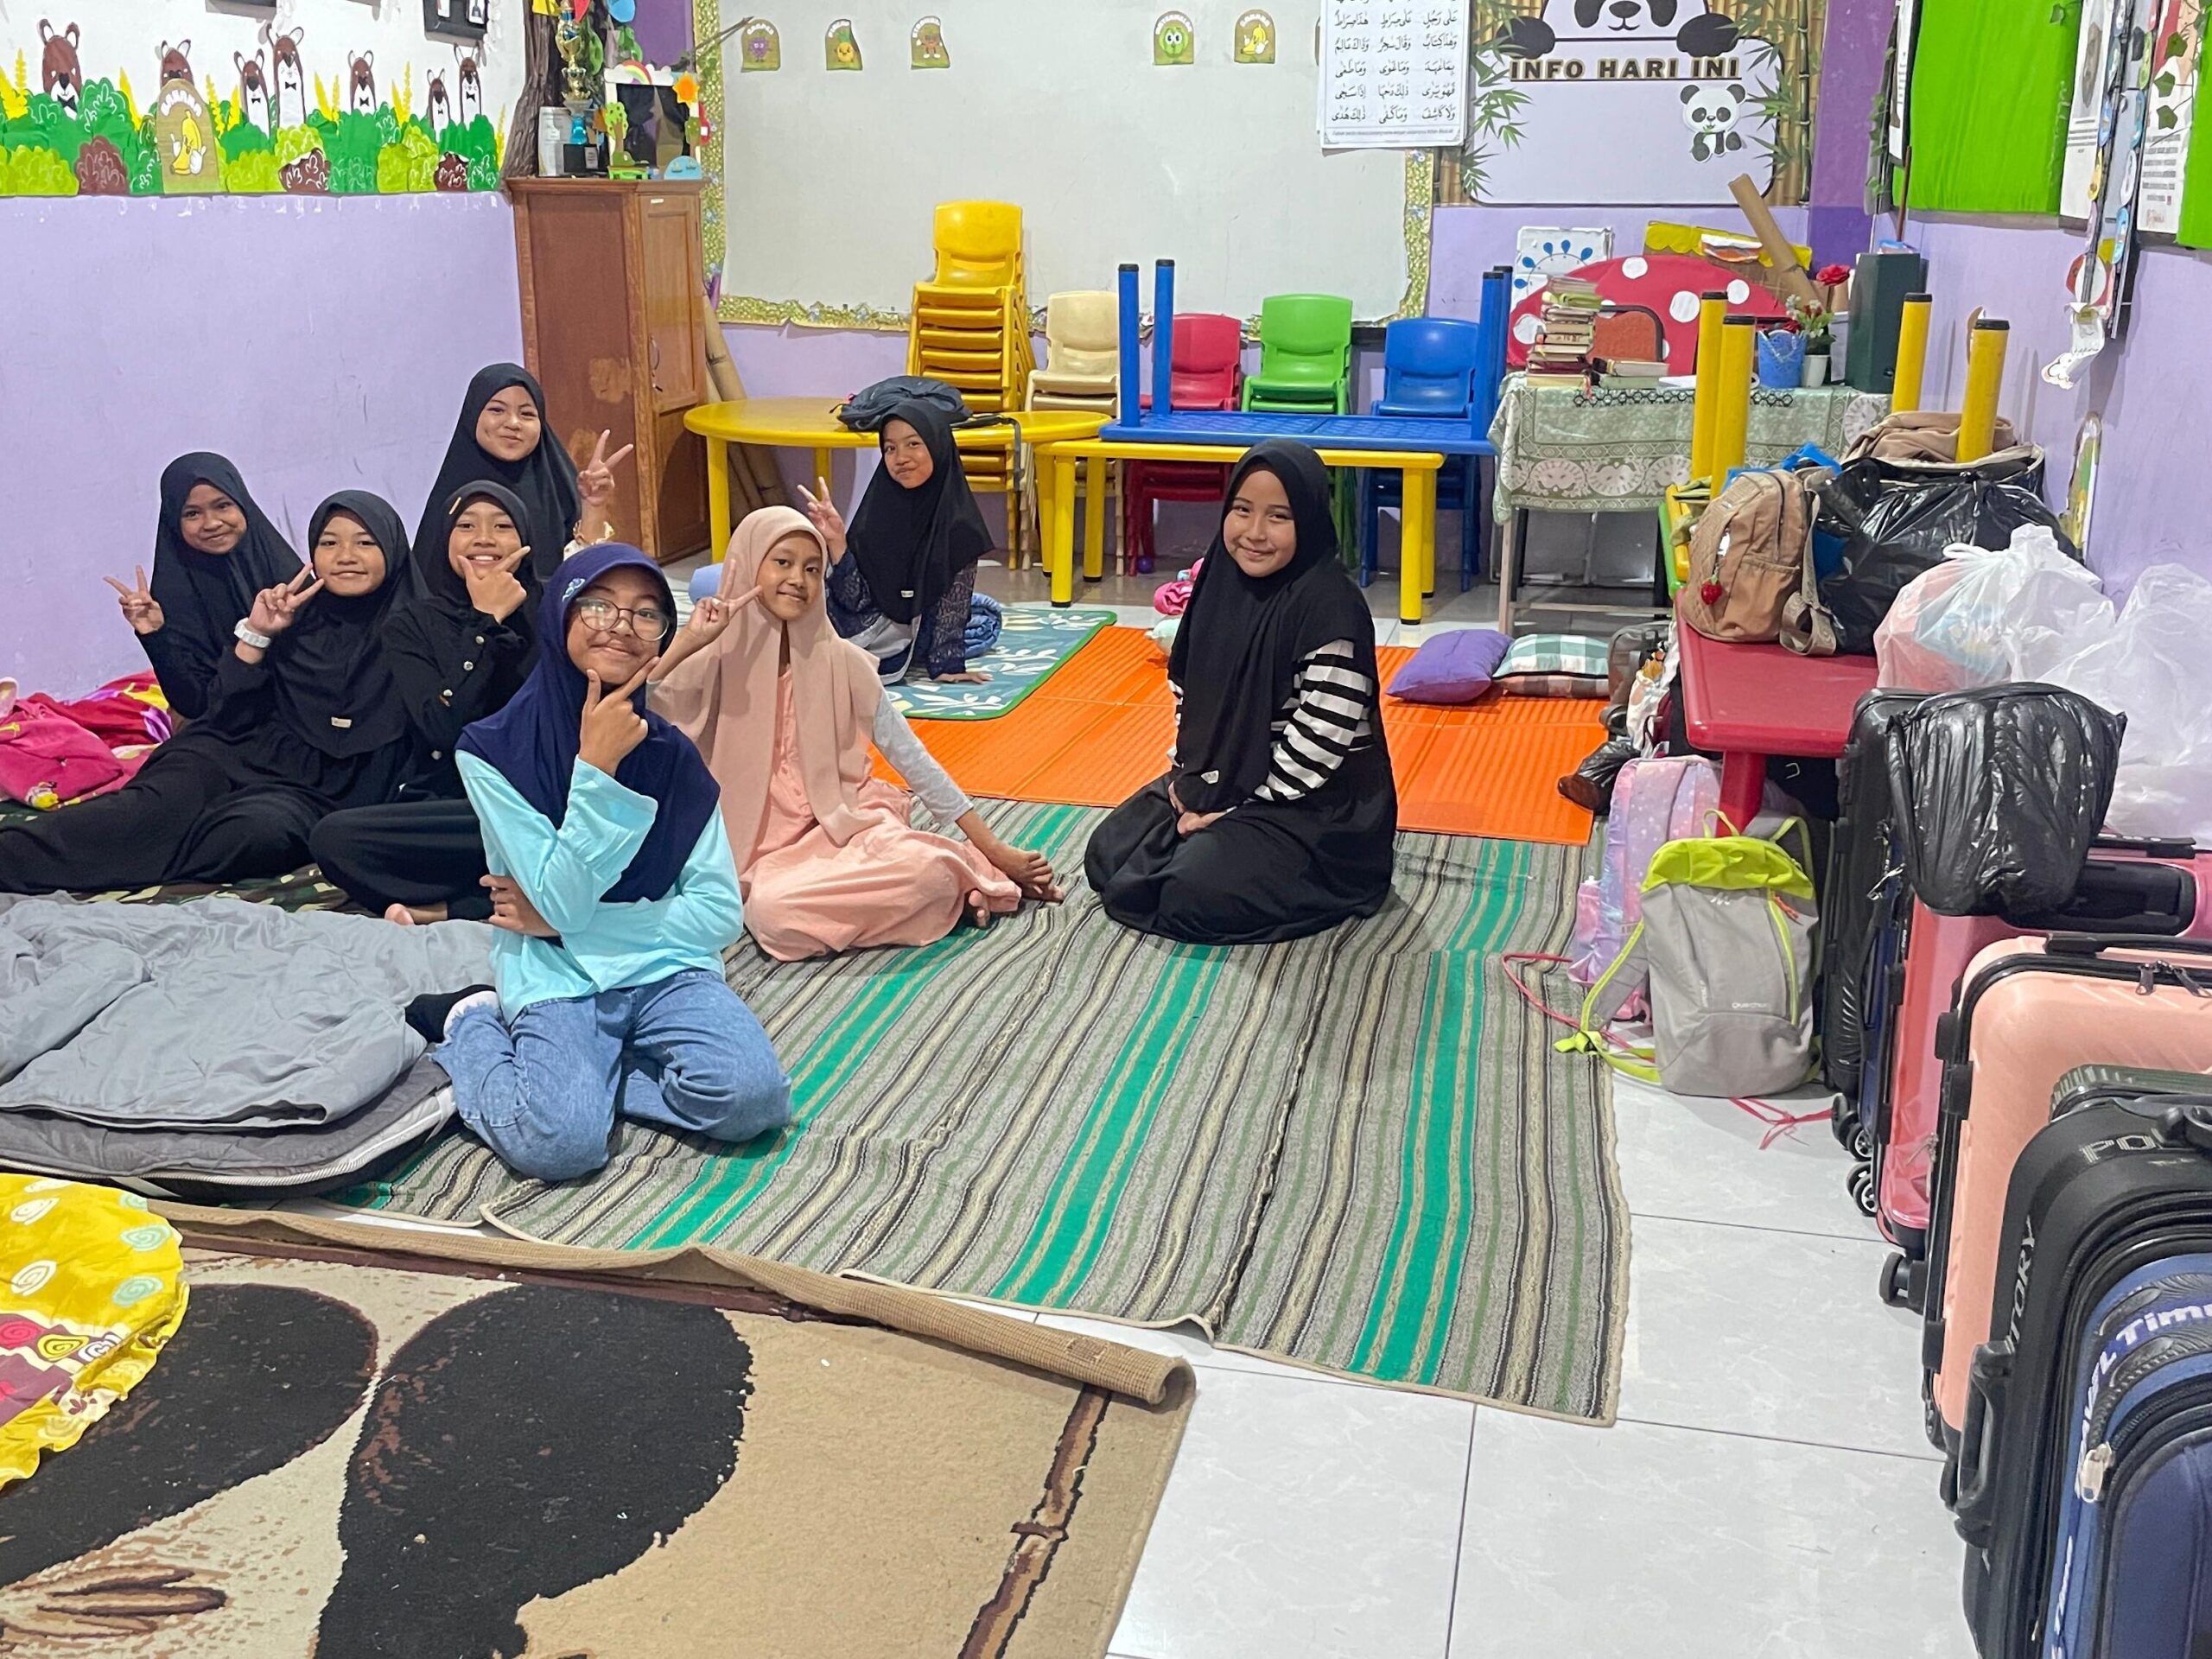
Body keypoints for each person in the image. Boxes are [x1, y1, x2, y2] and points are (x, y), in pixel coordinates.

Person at [403, 543, 791, 1184]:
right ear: (561, 612)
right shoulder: (493, 751)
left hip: (666, 967)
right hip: (557, 974)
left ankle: (596, 1077)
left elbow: (720, 912)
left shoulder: (672, 755)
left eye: (646, 613)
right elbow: (565, 899)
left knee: (754, 1101)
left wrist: (567, 927)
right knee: (560, 1146)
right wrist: (597, 769)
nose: (621, 626)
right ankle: (468, 1020)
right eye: (599, 606)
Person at [651, 507, 1060, 962]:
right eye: (782, 563)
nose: (798, 580)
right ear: (747, 566)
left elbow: (912, 759)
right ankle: (939, 894)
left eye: (812, 569)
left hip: (847, 826)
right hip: (762, 853)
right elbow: (640, 716)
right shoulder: (713, 661)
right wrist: (688, 642)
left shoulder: (843, 662)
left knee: (924, 872)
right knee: (773, 915)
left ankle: (955, 874)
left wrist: (994, 848)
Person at [1, 492, 414, 893]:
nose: (345, 556)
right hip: (231, 751)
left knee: (254, 836)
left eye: (365, 543)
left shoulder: (418, 632)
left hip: (319, 793)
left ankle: (126, 861)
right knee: (147, 810)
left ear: (393, 549)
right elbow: (224, 712)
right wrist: (257, 636)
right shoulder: (290, 615)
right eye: (329, 543)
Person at [1084, 441, 1397, 945]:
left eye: (1279, 517)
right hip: (1223, 774)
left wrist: (1235, 807)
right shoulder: (1218, 585)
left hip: (1312, 803)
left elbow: (1319, 742)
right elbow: (1190, 698)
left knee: (1190, 893)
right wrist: (1190, 782)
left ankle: (1259, 864)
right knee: (1107, 854)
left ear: (1309, 520)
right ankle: (1207, 844)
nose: (1254, 533)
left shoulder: (1329, 607)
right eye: (1242, 510)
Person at [309, 481, 541, 923]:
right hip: (464, 805)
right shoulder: (413, 623)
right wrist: (485, 624)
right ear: (445, 538)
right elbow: (443, 728)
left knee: (596, 828)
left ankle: (449, 908)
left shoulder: (554, 609)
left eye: (502, 526)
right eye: (466, 526)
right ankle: (522, 892)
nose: (484, 539)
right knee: (335, 839)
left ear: (526, 537)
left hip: (544, 797)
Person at [801, 402, 1001, 683]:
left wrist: (947, 664)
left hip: (916, 628)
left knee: (987, 619)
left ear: (937, 445)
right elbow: (853, 599)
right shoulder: (877, 510)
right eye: (890, 448)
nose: (901, 458)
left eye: (913, 444)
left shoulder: (959, 523)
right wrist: (836, 541)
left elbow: (952, 604)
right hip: (867, 625)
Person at [108, 453, 303, 721]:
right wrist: (155, 636)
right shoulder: (173, 596)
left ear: (242, 503)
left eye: (222, 505)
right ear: (174, 521)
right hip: (223, 722)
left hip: (304, 712)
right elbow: (193, 704)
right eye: (192, 513)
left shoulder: (288, 575)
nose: (211, 523)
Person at [411, 363, 630, 582]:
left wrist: (593, 507)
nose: (513, 423)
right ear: (472, 415)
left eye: (526, 414)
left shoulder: (558, 489)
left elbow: (584, 579)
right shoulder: (450, 496)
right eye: (497, 410)